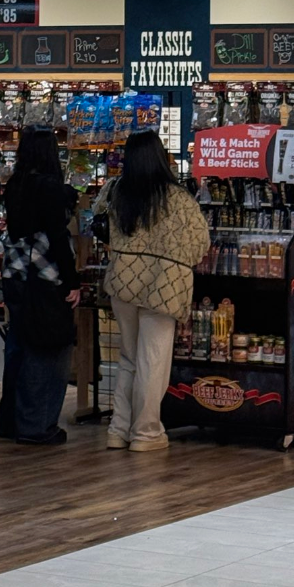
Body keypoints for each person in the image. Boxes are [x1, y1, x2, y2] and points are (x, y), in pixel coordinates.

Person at [96, 130, 208, 451]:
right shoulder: (178, 199)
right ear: (161, 157)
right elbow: (199, 241)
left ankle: (119, 430)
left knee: (129, 358)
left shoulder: (117, 191)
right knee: (153, 360)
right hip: (165, 284)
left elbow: (100, 222)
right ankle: (146, 433)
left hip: (124, 280)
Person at [0, 126, 80, 446]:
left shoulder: (15, 184)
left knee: (18, 346)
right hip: (43, 275)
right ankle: (37, 424)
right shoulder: (50, 187)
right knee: (48, 350)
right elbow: (57, 237)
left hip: (14, 273)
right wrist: (71, 281)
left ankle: (11, 420)